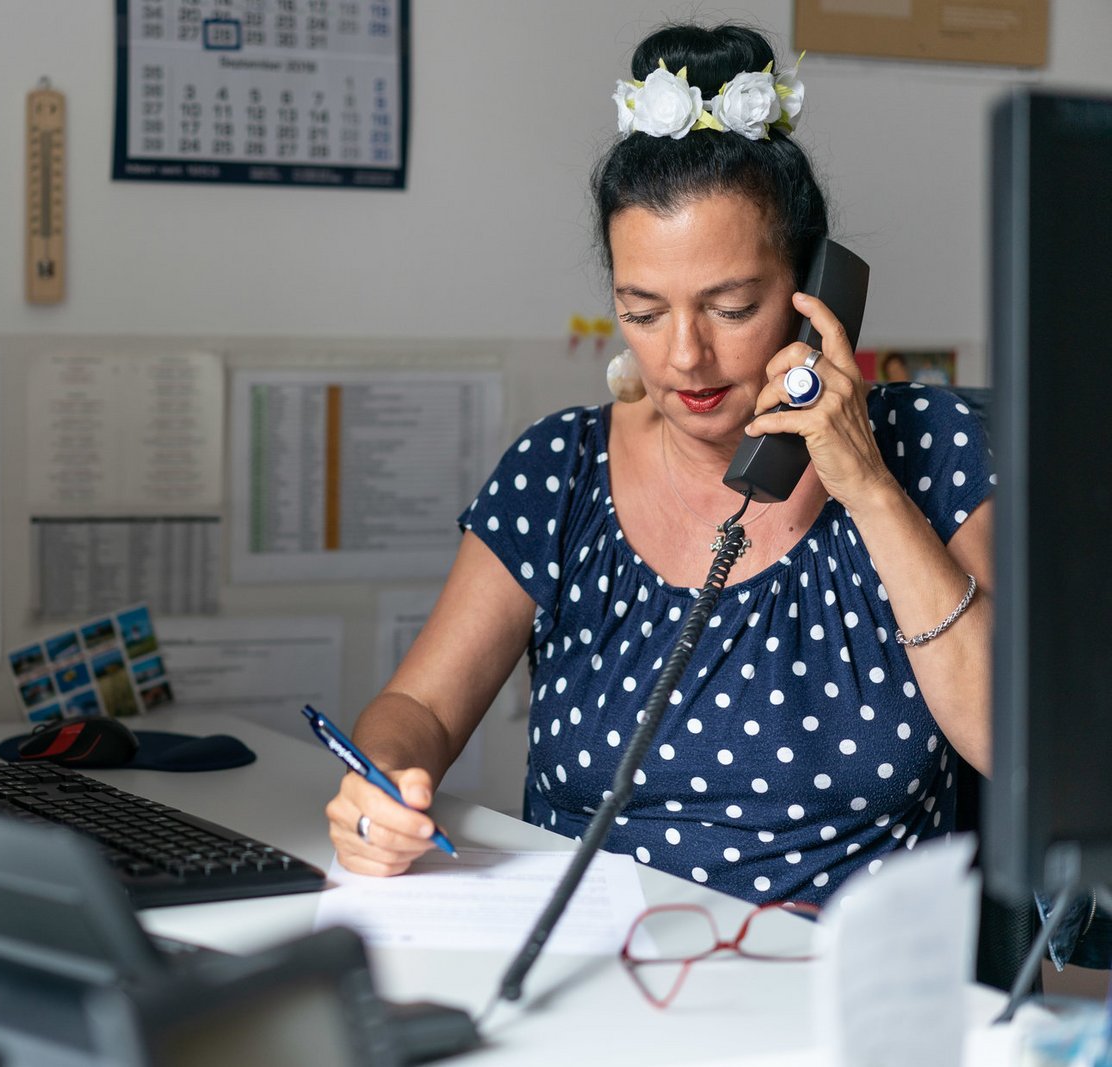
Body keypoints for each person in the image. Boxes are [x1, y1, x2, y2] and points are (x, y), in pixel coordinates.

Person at [324, 22, 996, 909]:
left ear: (816, 293)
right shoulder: (557, 471)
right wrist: (382, 783)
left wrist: (866, 484)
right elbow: (423, 708)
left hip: (837, 1002)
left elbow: (1014, 742)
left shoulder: (935, 449)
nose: (684, 355)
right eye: (643, 311)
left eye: (731, 306)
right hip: (602, 984)